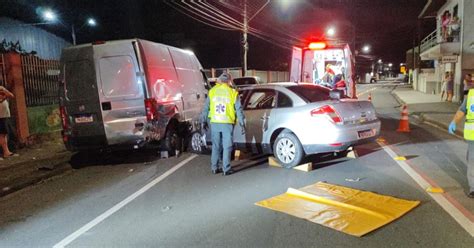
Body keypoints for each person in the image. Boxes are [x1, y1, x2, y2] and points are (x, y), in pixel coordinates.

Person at [201, 72, 245, 176]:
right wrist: (242, 123)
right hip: (227, 123)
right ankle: (226, 168)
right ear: (229, 81)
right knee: (227, 146)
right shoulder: (233, 92)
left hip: (215, 122)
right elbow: (238, 109)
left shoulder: (212, 91)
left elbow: (206, 108)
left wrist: (203, 120)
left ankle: (214, 167)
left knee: (216, 145)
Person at [448, 93, 474, 198]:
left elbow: (462, 111)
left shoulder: (471, 95)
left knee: (473, 161)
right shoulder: (471, 95)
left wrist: (454, 122)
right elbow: (462, 110)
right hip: (473, 135)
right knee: (472, 161)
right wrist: (454, 121)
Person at [0, 86, 18, 159]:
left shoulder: (1, 89)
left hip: (3, 115)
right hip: (0, 115)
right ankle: (5, 152)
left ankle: (6, 152)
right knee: (2, 134)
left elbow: (11, 95)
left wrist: (3, 90)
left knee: (3, 134)